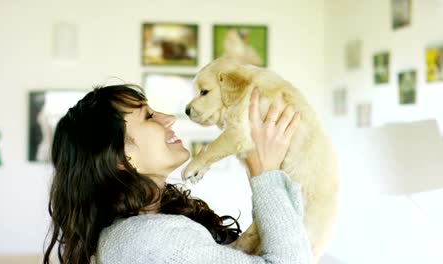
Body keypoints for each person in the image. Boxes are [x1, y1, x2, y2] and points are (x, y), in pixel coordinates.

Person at [43, 84, 311, 264]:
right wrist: (265, 174)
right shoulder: (150, 241)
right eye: (148, 117)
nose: (169, 118)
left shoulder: (138, 233)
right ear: (120, 160)